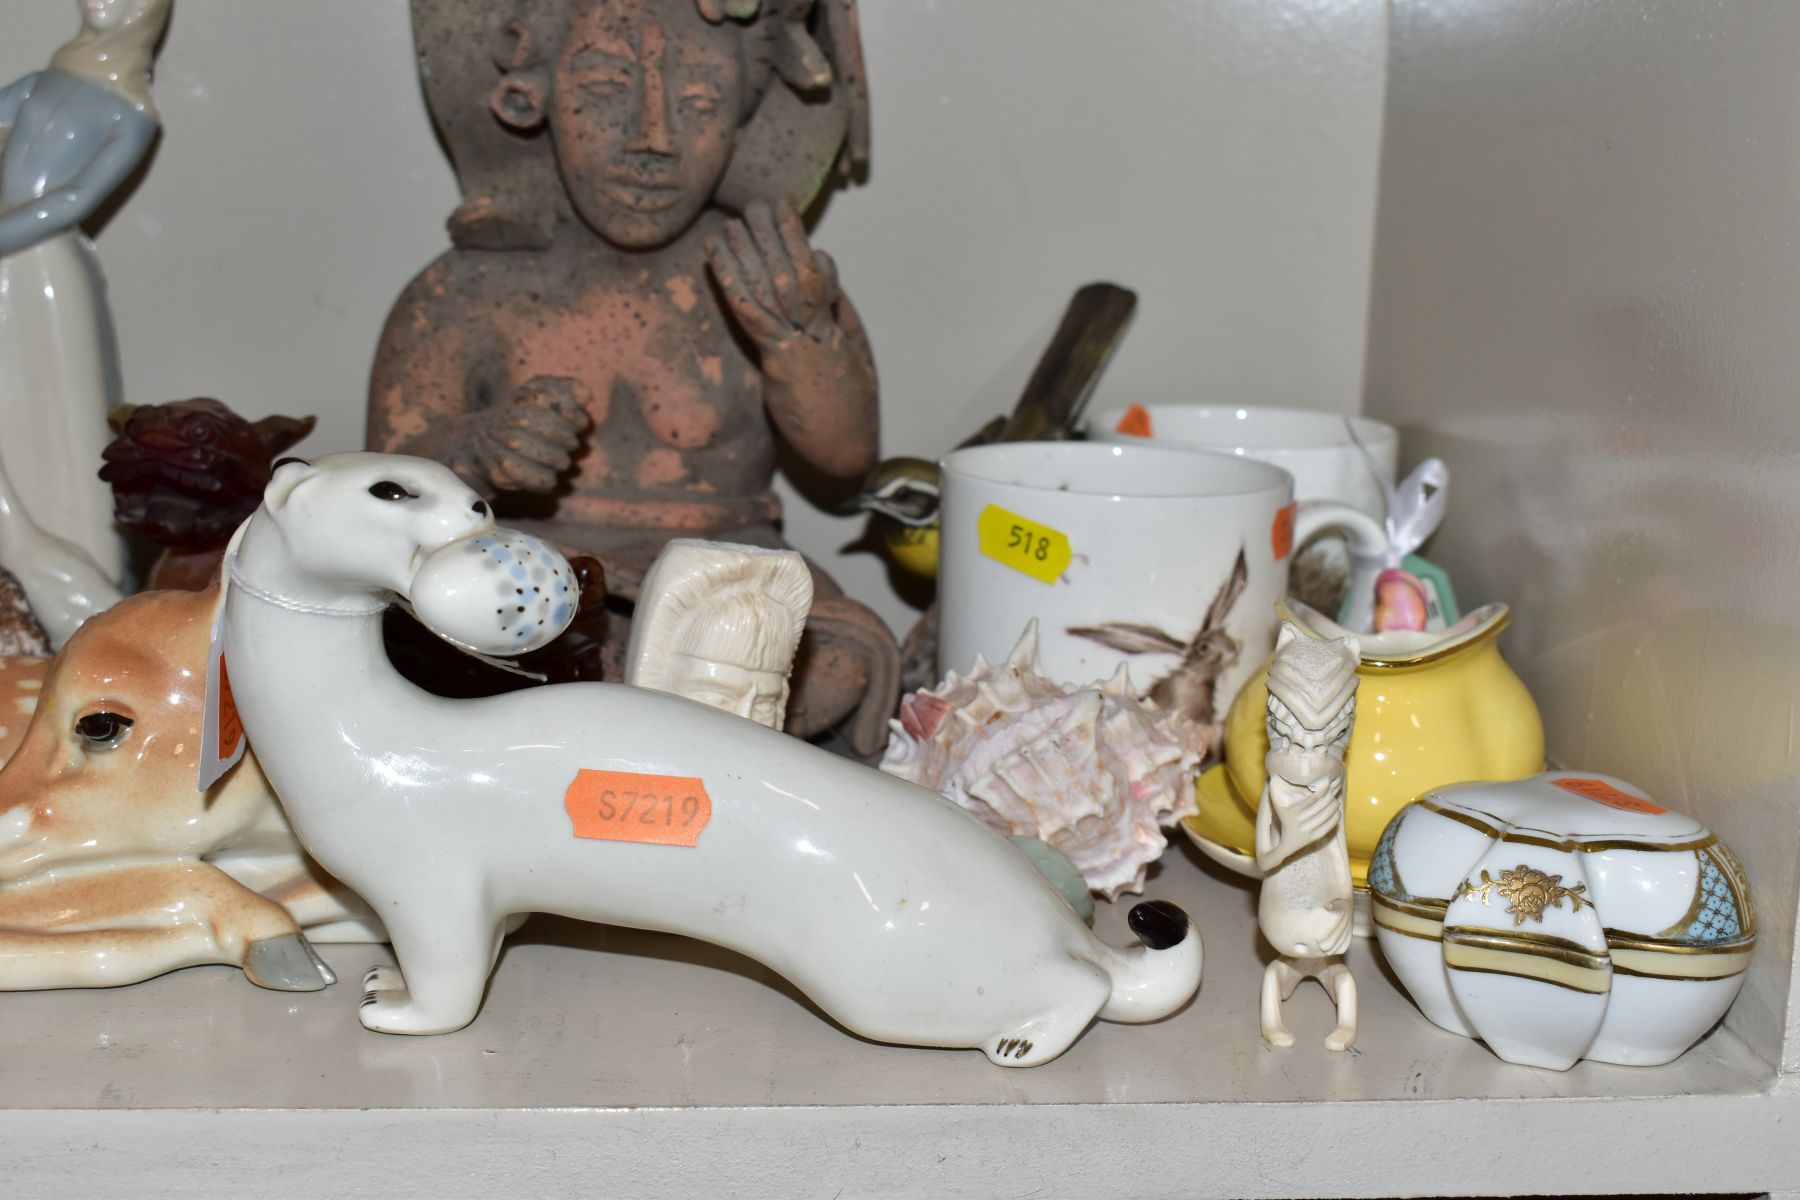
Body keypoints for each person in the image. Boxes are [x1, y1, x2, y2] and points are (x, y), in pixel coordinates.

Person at [0, 0, 173, 584]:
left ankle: (80, 570)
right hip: (6, 254)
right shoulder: (49, 76)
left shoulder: (133, 113)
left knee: (58, 409)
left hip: (44, 267)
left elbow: (73, 201)